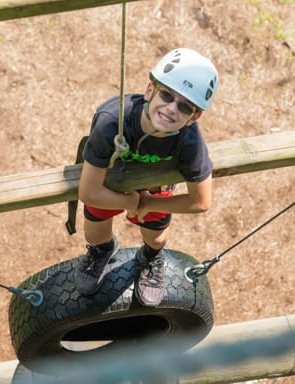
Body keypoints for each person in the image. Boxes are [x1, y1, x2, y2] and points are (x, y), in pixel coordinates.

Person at [74, 47, 218, 307]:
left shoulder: (189, 141)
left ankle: (151, 256)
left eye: (184, 107)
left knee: (157, 236)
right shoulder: (112, 121)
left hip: (154, 189)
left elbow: (201, 202)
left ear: (194, 117)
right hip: (110, 183)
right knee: (94, 233)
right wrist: (130, 202)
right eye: (166, 95)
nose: (172, 109)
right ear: (150, 91)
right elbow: (89, 192)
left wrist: (149, 203)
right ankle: (102, 249)